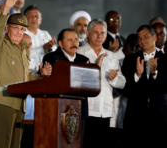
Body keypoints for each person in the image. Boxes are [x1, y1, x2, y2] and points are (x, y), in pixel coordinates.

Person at [0, 0, 50, 148]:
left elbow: (26, 75)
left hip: (20, 104)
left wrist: (40, 76)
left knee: (15, 145)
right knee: (1, 145)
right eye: (15, 28)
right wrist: (6, 9)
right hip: (2, 101)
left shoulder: (23, 48)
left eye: (22, 29)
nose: (18, 32)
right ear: (7, 28)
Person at [77, 19, 125, 148]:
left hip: (105, 110)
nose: (99, 36)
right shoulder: (79, 53)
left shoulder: (111, 55)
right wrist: (94, 68)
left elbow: (122, 82)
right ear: (88, 33)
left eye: (102, 33)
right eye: (96, 32)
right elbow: (76, 80)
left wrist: (114, 79)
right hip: (87, 110)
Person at [42, 28, 89, 148]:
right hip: (57, 110)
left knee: (77, 144)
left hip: (79, 110)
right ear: (60, 43)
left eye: (76, 40)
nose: (74, 43)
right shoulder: (52, 58)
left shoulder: (83, 60)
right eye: (70, 40)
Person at [122, 25, 167, 148]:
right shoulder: (130, 60)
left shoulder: (165, 59)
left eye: (145, 36)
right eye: (139, 38)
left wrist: (154, 73)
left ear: (155, 37)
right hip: (135, 117)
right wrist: (137, 75)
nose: (142, 41)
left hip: (158, 117)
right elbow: (125, 89)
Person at [24, 4, 57, 72]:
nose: (34, 19)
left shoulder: (45, 34)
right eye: (30, 16)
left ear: (40, 20)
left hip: (47, 73)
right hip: (28, 74)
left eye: (36, 16)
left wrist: (50, 48)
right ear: (24, 19)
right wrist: (42, 49)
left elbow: (55, 52)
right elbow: (22, 54)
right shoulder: (21, 34)